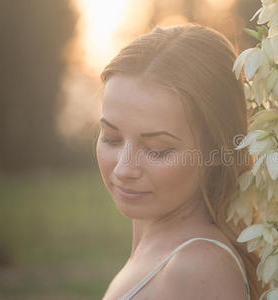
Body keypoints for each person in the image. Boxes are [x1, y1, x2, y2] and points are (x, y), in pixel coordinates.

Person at [95, 23, 263, 300]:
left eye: (157, 149)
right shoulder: (163, 254)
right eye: (111, 138)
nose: (124, 169)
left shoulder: (199, 269)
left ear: (216, 151)